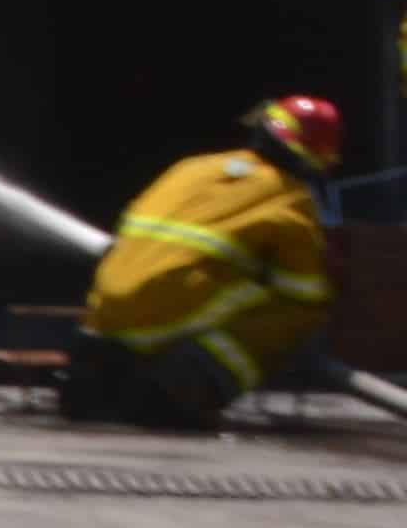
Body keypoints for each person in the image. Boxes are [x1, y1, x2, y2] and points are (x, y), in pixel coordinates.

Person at [67, 96, 341, 432]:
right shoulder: (291, 201)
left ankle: (109, 377)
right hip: (162, 330)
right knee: (297, 310)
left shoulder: (191, 168)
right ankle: (194, 380)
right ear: (315, 159)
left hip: (100, 325)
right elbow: (306, 291)